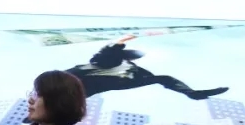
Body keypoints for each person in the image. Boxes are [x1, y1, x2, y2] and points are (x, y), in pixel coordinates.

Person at [66, 41, 228, 101]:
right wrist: (119, 44)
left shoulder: (134, 68)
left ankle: (193, 94)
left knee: (164, 78)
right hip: (84, 79)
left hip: (112, 83)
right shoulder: (110, 57)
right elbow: (103, 55)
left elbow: (154, 78)